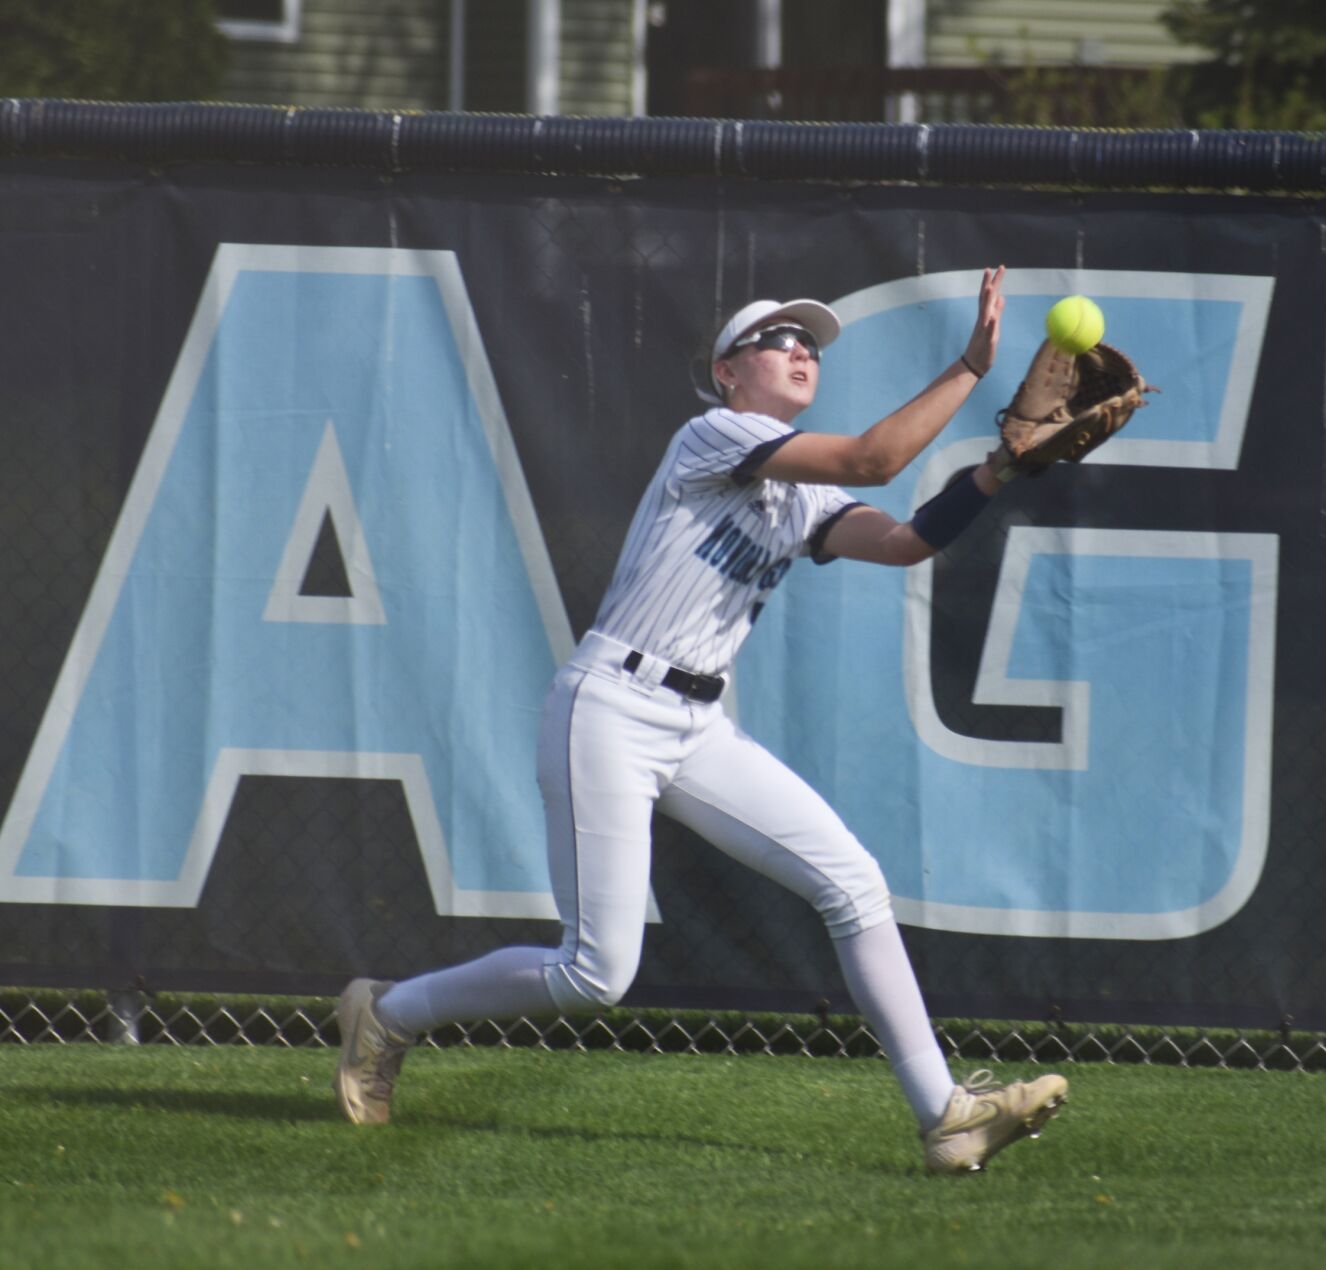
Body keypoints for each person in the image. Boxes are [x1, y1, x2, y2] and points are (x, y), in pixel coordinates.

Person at [333, 265, 1068, 1174]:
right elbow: (876, 459)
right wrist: (969, 367)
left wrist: (998, 469)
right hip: (608, 705)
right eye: (777, 340)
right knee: (597, 975)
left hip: (697, 727)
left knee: (853, 884)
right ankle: (388, 1013)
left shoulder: (802, 494)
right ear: (727, 372)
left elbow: (904, 540)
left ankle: (946, 1117)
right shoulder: (711, 435)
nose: (800, 351)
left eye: (810, 345)